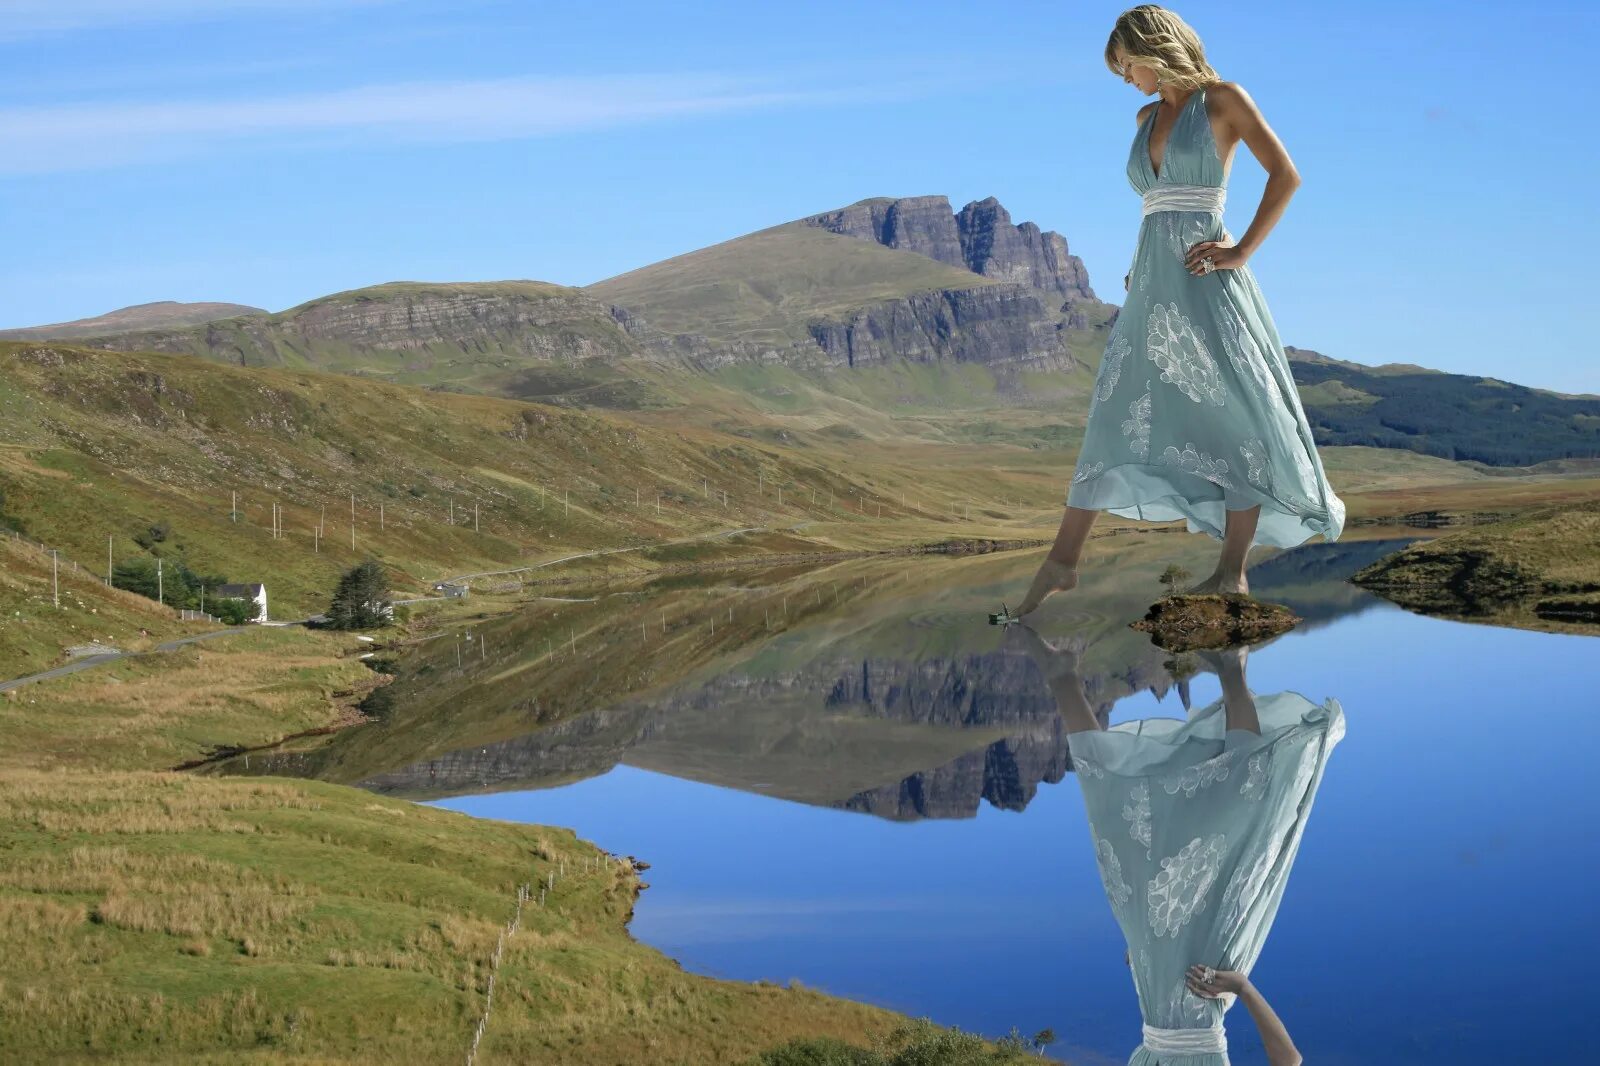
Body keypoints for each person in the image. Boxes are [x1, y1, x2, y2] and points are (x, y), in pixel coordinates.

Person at [1014, 5, 1345, 618]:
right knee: (1112, 413)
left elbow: (1286, 176)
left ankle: (1232, 572)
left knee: (1236, 416)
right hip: (1151, 287)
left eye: (1126, 65)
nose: (1125, 80)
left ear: (1153, 50)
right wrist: (1143, 267)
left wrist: (1240, 250)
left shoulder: (1223, 100)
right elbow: (1156, 208)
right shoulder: (1144, 117)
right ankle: (1063, 562)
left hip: (1207, 281)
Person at [1010, 625, 1342, 1065]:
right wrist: (1241, 986)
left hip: (1158, 999)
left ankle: (1063, 678)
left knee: (1118, 818)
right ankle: (1232, 671)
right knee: (1243, 808)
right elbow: (1290, 1061)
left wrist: (1150, 954)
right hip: (1206, 982)